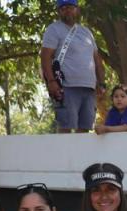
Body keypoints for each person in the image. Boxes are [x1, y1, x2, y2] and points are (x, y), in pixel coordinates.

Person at [40, 0, 106, 133]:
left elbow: (97, 60)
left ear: (77, 9)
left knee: (85, 129)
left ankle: (81, 155)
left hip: (89, 87)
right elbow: (45, 57)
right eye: (63, 8)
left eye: (70, 7)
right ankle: (63, 154)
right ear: (58, 11)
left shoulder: (86, 32)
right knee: (66, 127)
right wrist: (52, 82)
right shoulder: (54, 29)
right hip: (66, 87)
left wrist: (102, 82)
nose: (67, 10)